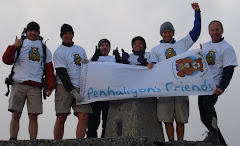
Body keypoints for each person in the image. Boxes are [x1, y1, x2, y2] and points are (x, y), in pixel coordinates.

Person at [148, 3, 201, 141]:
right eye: (165, 32)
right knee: (167, 118)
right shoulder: (156, 50)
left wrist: (197, 13)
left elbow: (196, 32)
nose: (167, 34)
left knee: (181, 118)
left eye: (169, 31)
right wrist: (149, 65)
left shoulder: (182, 44)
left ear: (173, 33)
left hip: (181, 87)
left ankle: (180, 142)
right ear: (161, 34)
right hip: (165, 88)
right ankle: (171, 142)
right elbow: (153, 65)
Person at [2, 21, 55, 140]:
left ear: (38, 32)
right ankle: (13, 139)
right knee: (16, 114)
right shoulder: (20, 44)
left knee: (33, 116)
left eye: (35, 30)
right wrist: (14, 47)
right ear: (27, 31)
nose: (33, 33)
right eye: (31, 30)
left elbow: (49, 69)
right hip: (18, 83)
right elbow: (6, 60)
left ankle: (33, 140)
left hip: (36, 85)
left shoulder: (44, 48)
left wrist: (50, 87)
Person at [198, 20, 238, 145]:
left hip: (215, 85)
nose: (215, 32)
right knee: (203, 116)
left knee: (208, 106)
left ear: (222, 30)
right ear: (209, 32)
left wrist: (222, 87)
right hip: (203, 86)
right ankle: (220, 141)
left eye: (217, 30)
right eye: (212, 30)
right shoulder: (204, 46)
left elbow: (229, 69)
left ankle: (214, 134)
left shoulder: (227, 48)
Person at [53, 24, 93, 139]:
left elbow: (86, 68)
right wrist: (71, 90)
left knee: (84, 115)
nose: (68, 35)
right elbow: (61, 72)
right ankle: (57, 142)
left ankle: (79, 141)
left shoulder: (80, 49)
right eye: (65, 33)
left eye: (70, 33)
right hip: (63, 87)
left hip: (81, 86)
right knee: (62, 116)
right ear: (61, 36)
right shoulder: (59, 52)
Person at [87, 39, 115, 138]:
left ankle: (105, 140)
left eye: (107, 45)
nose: (104, 47)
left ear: (109, 48)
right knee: (93, 120)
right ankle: (91, 141)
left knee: (107, 121)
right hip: (95, 94)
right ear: (99, 47)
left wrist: (120, 59)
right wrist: (95, 57)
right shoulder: (92, 58)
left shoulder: (113, 59)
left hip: (109, 95)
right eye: (102, 45)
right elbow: (87, 70)